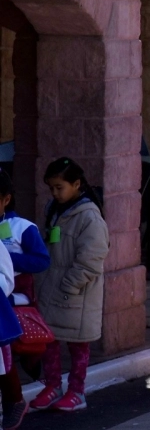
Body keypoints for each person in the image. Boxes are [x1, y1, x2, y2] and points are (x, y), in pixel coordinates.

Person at [31, 158, 109, 412]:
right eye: (51, 188)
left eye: (59, 187)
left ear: (76, 184)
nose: (54, 193)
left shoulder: (89, 217)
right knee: (50, 343)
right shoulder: (53, 209)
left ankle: (77, 391)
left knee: (78, 346)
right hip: (52, 287)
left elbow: (91, 259)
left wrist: (69, 286)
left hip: (75, 294)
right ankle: (53, 385)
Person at [0, 169, 48, 426]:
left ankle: (15, 397)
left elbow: (41, 260)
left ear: (6, 199)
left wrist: (7, 258)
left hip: (16, 297)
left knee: (13, 350)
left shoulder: (23, 228)